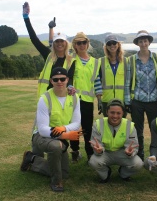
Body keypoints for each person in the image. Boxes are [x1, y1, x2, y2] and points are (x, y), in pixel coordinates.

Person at [20, 67, 82, 192]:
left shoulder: (75, 97)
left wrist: (63, 128)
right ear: (51, 81)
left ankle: (32, 159)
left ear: (67, 80)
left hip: (57, 134)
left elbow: (76, 123)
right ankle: (56, 182)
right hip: (40, 136)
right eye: (56, 79)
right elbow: (42, 129)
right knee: (56, 146)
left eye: (62, 79)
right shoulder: (44, 99)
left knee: (64, 173)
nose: (59, 82)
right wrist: (64, 135)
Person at [22, 2, 75, 99]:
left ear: (66, 43)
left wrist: (70, 86)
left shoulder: (71, 60)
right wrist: (26, 17)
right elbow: (34, 39)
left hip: (63, 97)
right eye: (57, 41)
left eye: (61, 41)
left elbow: (70, 77)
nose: (59, 43)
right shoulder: (48, 55)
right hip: (46, 97)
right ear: (53, 43)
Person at [124, 30, 157, 160]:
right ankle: (139, 154)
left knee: (155, 129)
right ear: (137, 43)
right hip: (138, 100)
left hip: (153, 100)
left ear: (149, 42)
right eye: (141, 41)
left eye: (145, 40)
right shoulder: (131, 60)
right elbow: (128, 81)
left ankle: (154, 154)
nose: (143, 43)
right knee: (138, 130)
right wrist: (128, 101)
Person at [89, 99, 143, 183]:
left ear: (123, 113)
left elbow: (133, 146)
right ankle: (106, 174)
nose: (115, 116)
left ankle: (123, 173)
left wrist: (130, 152)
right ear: (107, 112)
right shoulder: (98, 124)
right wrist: (99, 150)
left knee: (138, 164)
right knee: (93, 161)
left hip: (122, 153)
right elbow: (97, 145)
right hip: (105, 153)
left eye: (118, 113)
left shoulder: (130, 125)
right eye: (112, 112)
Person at [71, 32, 102, 162]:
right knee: (74, 127)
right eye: (79, 43)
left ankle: (89, 153)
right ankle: (75, 152)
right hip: (73, 100)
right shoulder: (71, 60)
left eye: (84, 42)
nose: (82, 45)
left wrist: (99, 99)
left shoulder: (95, 62)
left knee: (87, 128)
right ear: (75, 45)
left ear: (87, 44)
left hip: (88, 101)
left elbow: (97, 82)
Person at [98, 34, 128, 117]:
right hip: (106, 101)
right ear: (106, 46)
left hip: (122, 101)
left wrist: (129, 100)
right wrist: (99, 100)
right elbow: (97, 82)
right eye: (109, 43)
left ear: (118, 44)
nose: (112, 45)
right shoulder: (101, 62)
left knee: (121, 127)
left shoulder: (126, 61)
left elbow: (129, 81)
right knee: (108, 127)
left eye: (114, 43)